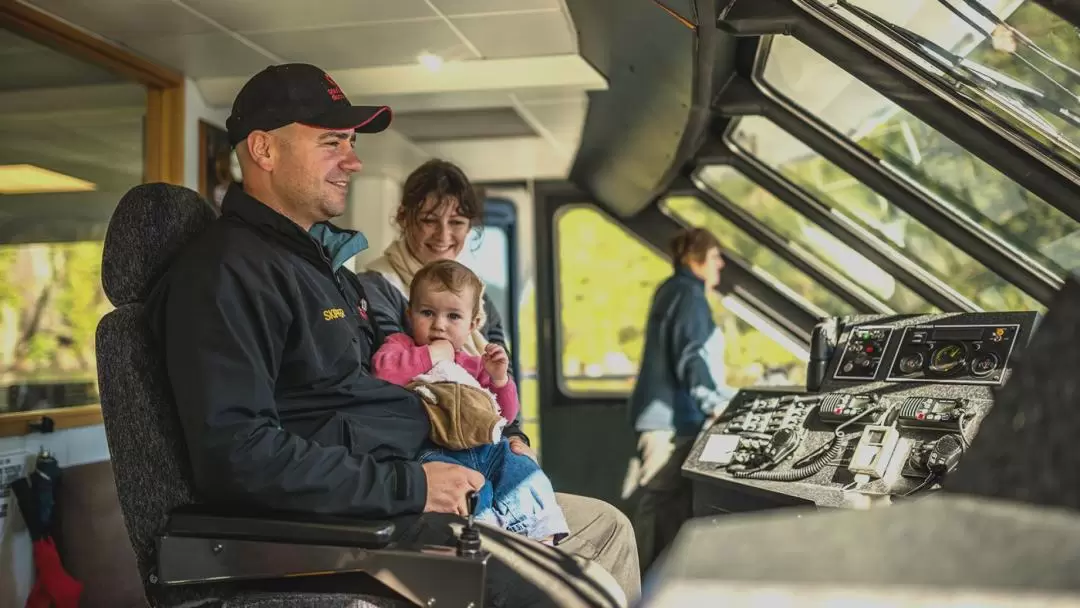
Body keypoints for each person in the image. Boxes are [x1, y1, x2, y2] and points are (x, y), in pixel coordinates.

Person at [145, 62, 638, 607]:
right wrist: (414, 487)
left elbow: (363, 394)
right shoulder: (228, 275)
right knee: (581, 594)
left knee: (609, 529)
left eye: (351, 143)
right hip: (360, 524)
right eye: (333, 142)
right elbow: (239, 456)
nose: (353, 162)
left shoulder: (320, 269)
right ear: (264, 150)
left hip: (417, 478)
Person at [373, 259, 569, 544]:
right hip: (434, 450)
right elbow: (383, 371)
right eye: (427, 313)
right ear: (409, 315)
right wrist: (433, 354)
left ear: (473, 324)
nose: (439, 325)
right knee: (472, 493)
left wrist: (500, 380)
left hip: (485, 447)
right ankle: (490, 537)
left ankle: (541, 536)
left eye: (453, 316)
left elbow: (503, 415)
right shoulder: (401, 346)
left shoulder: (475, 364)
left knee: (519, 467)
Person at [625, 227, 737, 572]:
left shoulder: (670, 290)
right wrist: (715, 404)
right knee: (661, 512)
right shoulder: (688, 295)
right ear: (696, 258)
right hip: (672, 424)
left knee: (661, 509)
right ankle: (645, 591)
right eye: (716, 256)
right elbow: (693, 357)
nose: (720, 265)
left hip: (663, 420)